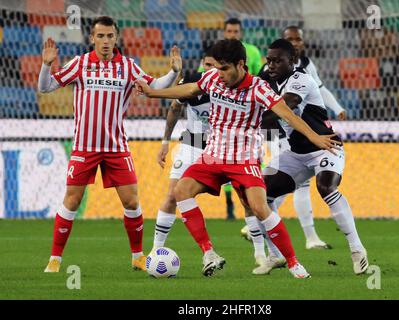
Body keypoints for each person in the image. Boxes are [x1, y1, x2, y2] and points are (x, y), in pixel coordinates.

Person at [136, 39, 341, 278]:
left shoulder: (258, 87)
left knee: (259, 208)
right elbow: (191, 89)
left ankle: (294, 263)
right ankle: (209, 253)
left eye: (224, 69)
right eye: (217, 68)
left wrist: (316, 137)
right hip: (212, 157)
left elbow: (287, 115)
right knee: (180, 191)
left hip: (243, 160)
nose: (218, 74)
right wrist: (153, 92)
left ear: (240, 64)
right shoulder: (213, 79)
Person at [38, 16, 182, 273]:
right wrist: (46, 66)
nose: (105, 41)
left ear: (117, 38)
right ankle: (55, 259)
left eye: (110, 36)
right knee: (72, 200)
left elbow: (154, 86)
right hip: (84, 147)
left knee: (131, 202)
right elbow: (45, 87)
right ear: (92, 38)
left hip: (116, 147)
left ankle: (137, 256)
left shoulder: (127, 67)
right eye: (100, 36)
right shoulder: (80, 64)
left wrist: (173, 72)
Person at [249, 39, 368, 275]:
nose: (271, 65)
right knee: (259, 196)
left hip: (326, 146)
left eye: (277, 60)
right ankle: (275, 254)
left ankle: (357, 250)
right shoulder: (268, 82)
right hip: (296, 153)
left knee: (326, 188)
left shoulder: (301, 79)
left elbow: (284, 107)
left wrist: (248, 122)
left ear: (292, 60)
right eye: (269, 60)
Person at [242, 25, 347, 249]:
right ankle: (283, 236)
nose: (296, 41)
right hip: (276, 132)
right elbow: (259, 100)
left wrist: (337, 107)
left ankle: (301, 236)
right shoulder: (268, 70)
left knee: (298, 185)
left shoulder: (306, 67)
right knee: (283, 185)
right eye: (291, 38)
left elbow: (318, 90)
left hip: (294, 133)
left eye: (298, 38)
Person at [152, 49, 216, 249]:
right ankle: (156, 250)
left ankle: (261, 253)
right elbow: (175, 108)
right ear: (202, 64)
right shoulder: (192, 82)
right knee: (172, 195)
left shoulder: (231, 88)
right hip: (192, 144)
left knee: (248, 197)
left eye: (215, 66)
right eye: (207, 65)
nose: (210, 70)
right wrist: (165, 142)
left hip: (221, 148)